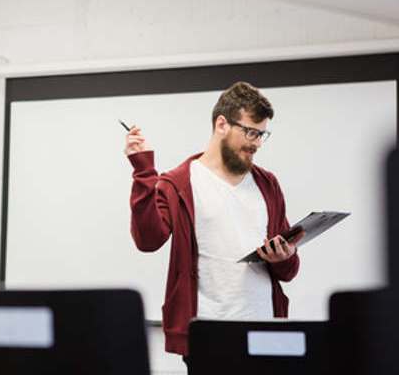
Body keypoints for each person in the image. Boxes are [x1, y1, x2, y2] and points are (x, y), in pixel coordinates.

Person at [124, 81, 303, 370]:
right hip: (208, 338)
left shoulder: (267, 184)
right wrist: (144, 170)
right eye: (250, 132)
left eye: (262, 134)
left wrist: (285, 257)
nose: (257, 143)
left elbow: (289, 271)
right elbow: (148, 239)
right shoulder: (179, 183)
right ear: (222, 124)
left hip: (266, 335)